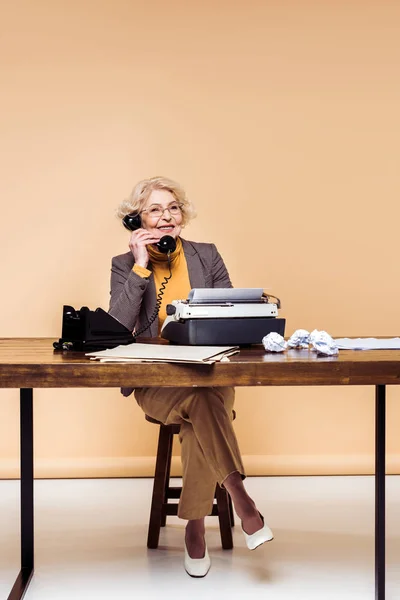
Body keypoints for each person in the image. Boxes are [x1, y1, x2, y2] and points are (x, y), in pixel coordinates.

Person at [109, 176, 273, 577]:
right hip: (159, 382)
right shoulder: (123, 265)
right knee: (202, 406)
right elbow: (116, 327)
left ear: (182, 214)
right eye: (154, 209)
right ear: (137, 220)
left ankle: (196, 527)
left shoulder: (206, 255)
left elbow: (233, 314)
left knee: (202, 402)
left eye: (173, 208)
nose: (166, 217)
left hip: (210, 374)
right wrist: (141, 268)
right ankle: (239, 497)